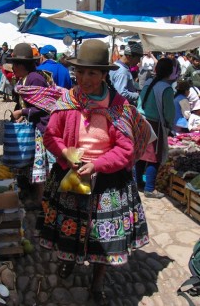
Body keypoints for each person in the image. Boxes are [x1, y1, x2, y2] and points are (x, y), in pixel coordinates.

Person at [40, 39, 151, 305]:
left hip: (108, 182)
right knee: (69, 228)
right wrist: (67, 155)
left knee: (104, 235)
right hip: (72, 173)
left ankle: (97, 281)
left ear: (104, 74)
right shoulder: (68, 100)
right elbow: (51, 136)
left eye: (92, 72)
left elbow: (125, 150)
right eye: (80, 72)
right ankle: (68, 261)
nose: (85, 78)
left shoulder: (118, 106)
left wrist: (97, 165)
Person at [6, 43, 53, 207]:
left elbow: (44, 106)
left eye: (14, 65)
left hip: (41, 128)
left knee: (38, 166)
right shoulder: (25, 79)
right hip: (33, 127)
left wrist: (22, 113)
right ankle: (34, 195)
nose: (12, 68)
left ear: (20, 65)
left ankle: (39, 200)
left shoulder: (35, 79)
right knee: (32, 165)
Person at [135, 58, 175, 198]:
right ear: (170, 72)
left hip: (141, 120)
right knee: (154, 156)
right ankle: (150, 188)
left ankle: (137, 182)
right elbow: (169, 111)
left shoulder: (148, 82)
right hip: (154, 124)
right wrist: (169, 125)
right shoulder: (166, 88)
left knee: (141, 154)